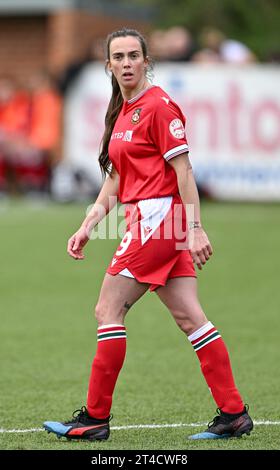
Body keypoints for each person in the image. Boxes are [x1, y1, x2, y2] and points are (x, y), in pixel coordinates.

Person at [43, 28, 253, 442]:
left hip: (161, 221)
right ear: (108, 65)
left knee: (108, 310)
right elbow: (117, 180)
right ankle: (234, 413)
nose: (125, 63)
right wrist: (89, 224)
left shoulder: (158, 107)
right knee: (190, 317)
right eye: (117, 56)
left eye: (133, 55)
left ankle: (95, 418)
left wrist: (194, 227)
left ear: (146, 61)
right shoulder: (123, 112)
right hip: (152, 222)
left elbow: (184, 171)